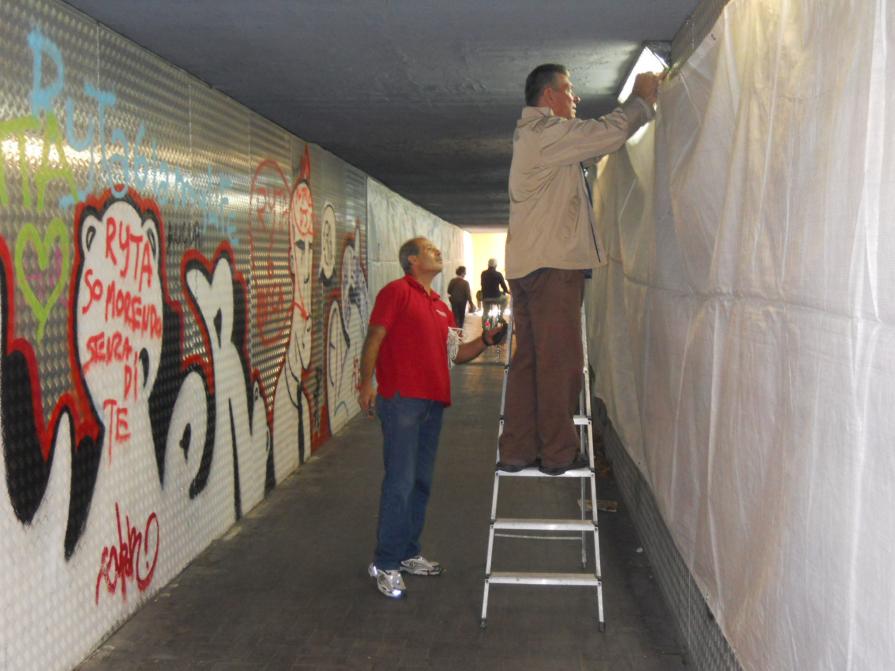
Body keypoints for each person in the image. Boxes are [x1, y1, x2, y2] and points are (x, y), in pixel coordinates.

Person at [498, 63, 660, 475]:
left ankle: (517, 449)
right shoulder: (546, 133)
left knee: (531, 360)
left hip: (530, 265)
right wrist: (641, 101)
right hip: (553, 267)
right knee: (560, 360)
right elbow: (604, 134)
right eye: (569, 90)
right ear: (549, 97)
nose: (576, 98)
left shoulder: (532, 139)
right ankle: (557, 453)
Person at [358, 237, 505, 599]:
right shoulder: (396, 292)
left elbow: (455, 354)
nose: (437, 252)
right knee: (400, 481)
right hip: (402, 401)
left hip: (432, 404)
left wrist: (485, 341)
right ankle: (386, 563)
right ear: (411, 260)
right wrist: (366, 383)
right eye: (429, 250)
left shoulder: (439, 305)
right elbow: (375, 336)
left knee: (420, 482)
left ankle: (407, 553)